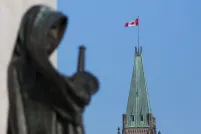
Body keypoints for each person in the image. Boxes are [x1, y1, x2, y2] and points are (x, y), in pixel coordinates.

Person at [7, 5, 99, 134]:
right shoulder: (20, 67)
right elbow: (18, 115)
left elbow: (71, 102)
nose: (54, 35)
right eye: (52, 28)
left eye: (57, 29)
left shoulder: (50, 75)